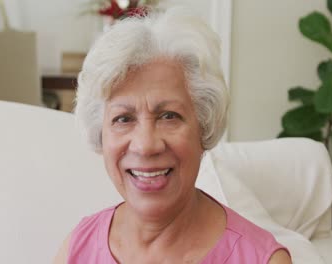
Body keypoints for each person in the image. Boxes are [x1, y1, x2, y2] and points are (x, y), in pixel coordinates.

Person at [54, 8, 292, 264]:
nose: (146, 146)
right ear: (101, 134)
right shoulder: (78, 247)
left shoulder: (262, 260)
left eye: (169, 116)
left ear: (203, 127)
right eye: (123, 119)